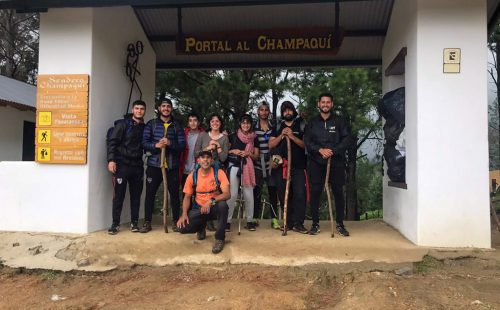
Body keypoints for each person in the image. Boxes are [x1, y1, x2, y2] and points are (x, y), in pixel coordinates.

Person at [304, 92, 352, 236]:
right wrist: (320, 150)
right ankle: (315, 224)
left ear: (332, 104)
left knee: (338, 192)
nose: (325, 104)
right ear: (318, 104)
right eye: (322, 102)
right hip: (316, 163)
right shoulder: (312, 123)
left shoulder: (340, 121)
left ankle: (340, 224)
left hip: (336, 162)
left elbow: (346, 139)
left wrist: (333, 150)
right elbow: (307, 141)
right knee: (315, 192)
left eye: (328, 102)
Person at [142, 98, 186, 233]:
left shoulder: (177, 126)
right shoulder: (152, 124)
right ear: (159, 108)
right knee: (150, 193)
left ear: (171, 108)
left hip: (172, 166)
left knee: (174, 195)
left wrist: (170, 143)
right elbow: (144, 143)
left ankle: (175, 222)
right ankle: (147, 222)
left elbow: (182, 146)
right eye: (163, 106)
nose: (166, 108)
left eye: (168, 106)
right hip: (154, 165)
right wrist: (156, 145)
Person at [177, 150, 230, 254]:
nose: (205, 160)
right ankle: (201, 227)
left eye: (208, 157)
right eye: (202, 157)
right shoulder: (193, 176)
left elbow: (227, 194)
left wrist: (211, 201)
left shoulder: (219, 173)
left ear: (211, 160)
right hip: (199, 208)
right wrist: (183, 214)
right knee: (182, 228)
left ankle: (219, 238)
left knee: (223, 206)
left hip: (214, 206)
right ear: (198, 160)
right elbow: (187, 197)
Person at [106, 100, 146, 235]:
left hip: (137, 167)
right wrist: (111, 160)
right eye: (137, 108)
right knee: (118, 196)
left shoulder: (144, 128)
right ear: (133, 110)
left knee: (136, 196)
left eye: (141, 109)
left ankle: (134, 223)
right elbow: (113, 142)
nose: (139, 111)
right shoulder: (123, 124)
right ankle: (115, 224)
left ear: (144, 111)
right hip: (122, 165)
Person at [269, 101, 308, 234]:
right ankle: (288, 223)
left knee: (300, 194)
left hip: (298, 166)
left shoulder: (301, 124)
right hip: (281, 167)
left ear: (293, 111)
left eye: (289, 110)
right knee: (283, 194)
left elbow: (305, 145)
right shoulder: (278, 125)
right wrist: (282, 135)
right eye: (285, 110)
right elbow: (271, 144)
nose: (287, 112)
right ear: (282, 112)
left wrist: (292, 136)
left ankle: (299, 223)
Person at [226, 114, 259, 231]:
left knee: (249, 194)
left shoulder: (254, 138)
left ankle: (249, 221)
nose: (246, 125)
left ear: (251, 124)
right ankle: (227, 221)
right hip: (234, 166)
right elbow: (225, 152)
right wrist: (233, 151)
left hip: (248, 167)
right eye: (243, 123)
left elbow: (256, 156)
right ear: (240, 124)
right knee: (232, 194)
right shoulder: (233, 136)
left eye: (248, 123)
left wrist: (248, 153)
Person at [253, 101, 280, 229]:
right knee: (256, 191)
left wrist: (275, 161)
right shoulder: (253, 127)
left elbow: (278, 146)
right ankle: (254, 217)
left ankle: (274, 219)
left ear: (269, 112)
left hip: (271, 164)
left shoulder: (274, 127)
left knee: (272, 192)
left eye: (266, 110)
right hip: (257, 164)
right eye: (261, 110)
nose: (264, 112)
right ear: (258, 112)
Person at [179, 112, 205, 188]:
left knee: (199, 196)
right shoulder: (183, 135)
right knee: (186, 195)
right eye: (190, 120)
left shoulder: (203, 135)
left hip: (199, 169)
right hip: (185, 170)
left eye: (195, 120)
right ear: (188, 123)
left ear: (198, 123)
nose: (193, 123)